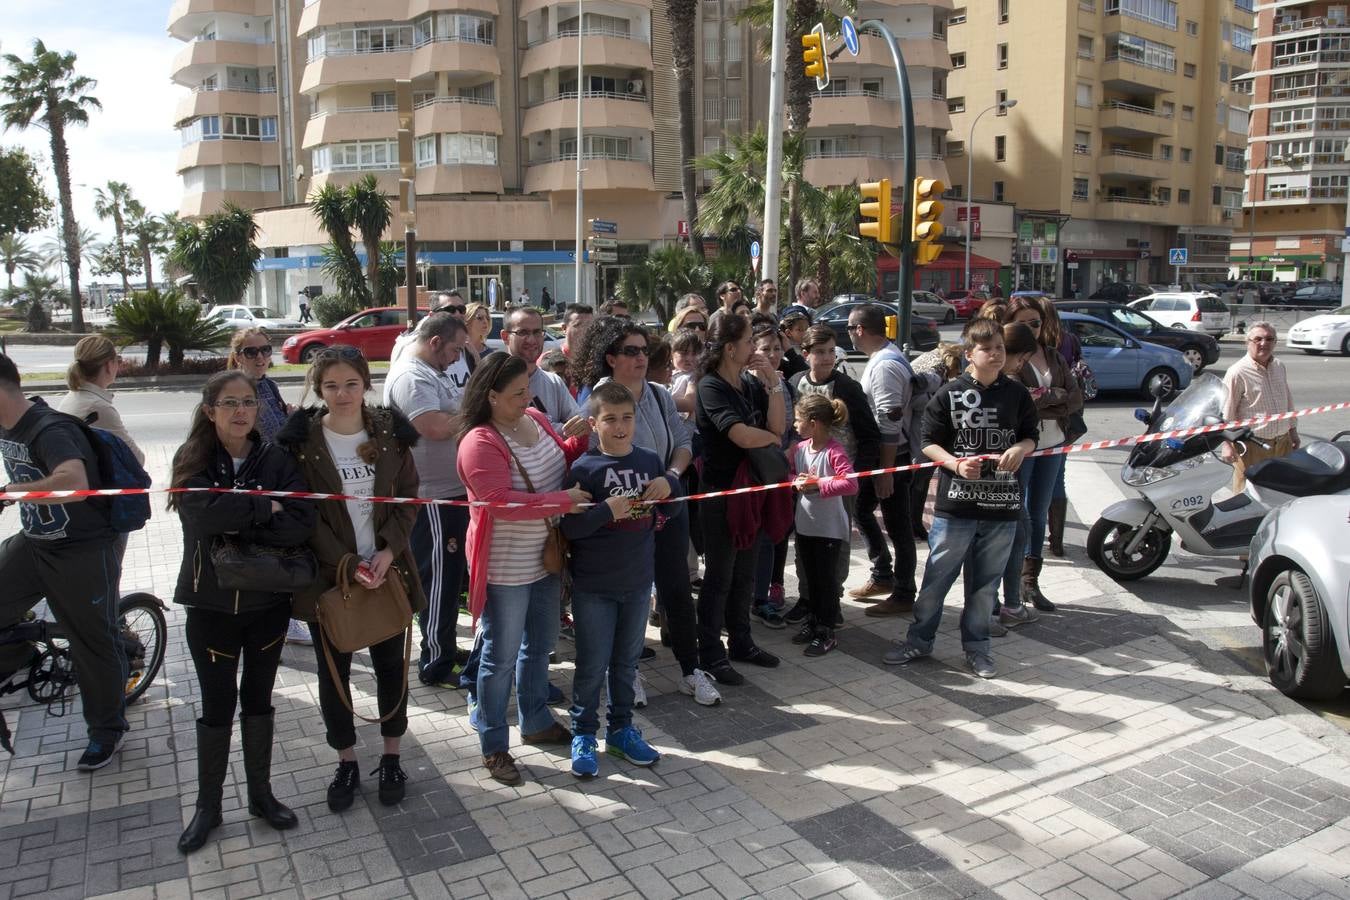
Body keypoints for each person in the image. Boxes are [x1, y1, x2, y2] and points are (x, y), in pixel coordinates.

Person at [169, 371, 315, 853]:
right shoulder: (194, 460)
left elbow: (299, 523)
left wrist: (245, 522)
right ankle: (208, 808)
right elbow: (201, 516)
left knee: (258, 700)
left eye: (248, 402)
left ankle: (261, 796)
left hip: (266, 605)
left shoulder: (275, 458)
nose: (240, 411)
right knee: (216, 708)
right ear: (210, 410)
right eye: (229, 403)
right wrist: (262, 509)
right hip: (210, 607)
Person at [277, 347, 425, 812]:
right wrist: (345, 562)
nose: (342, 394)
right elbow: (306, 511)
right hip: (330, 577)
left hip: (386, 572)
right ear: (317, 389)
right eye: (330, 386)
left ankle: (391, 755)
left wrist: (385, 551)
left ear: (366, 384)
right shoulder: (302, 442)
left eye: (351, 384)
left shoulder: (389, 433)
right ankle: (345, 760)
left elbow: (407, 495)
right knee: (334, 675)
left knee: (390, 668)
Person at [457, 352, 590, 786]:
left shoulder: (534, 417)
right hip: (505, 568)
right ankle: (494, 744)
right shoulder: (480, 441)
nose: (526, 398)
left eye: (527, 389)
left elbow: (557, 466)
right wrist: (563, 502)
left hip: (546, 557)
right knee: (499, 657)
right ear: (490, 396)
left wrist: (580, 440)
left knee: (540, 645)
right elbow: (501, 502)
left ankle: (534, 720)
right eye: (516, 393)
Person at [578, 319, 721, 706]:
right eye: (631, 351)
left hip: (668, 506)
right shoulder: (598, 400)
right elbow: (592, 461)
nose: (641, 357)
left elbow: (684, 441)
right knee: (631, 595)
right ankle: (627, 675)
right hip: (623, 517)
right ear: (611, 358)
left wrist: (671, 475)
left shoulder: (659, 395)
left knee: (675, 588)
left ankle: (691, 671)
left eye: (644, 350)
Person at [885, 319, 1038, 679]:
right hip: (956, 507)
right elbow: (926, 441)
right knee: (936, 580)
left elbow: (1032, 434)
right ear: (970, 354)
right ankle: (919, 641)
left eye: (1000, 347)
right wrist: (953, 463)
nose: (997, 354)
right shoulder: (949, 393)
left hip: (1001, 508)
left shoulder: (1016, 393)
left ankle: (978, 649)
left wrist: (1020, 447)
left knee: (985, 587)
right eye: (988, 348)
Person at [0, 352, 128, 771]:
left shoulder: (48, 428)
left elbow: (73, 482)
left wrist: (11, 492)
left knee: (92, 643)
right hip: (36, 543)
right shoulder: (9, 424)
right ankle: (24, 652)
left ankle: (106, 731)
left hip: (83, 551)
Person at [561, 381, 672, 777]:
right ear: (594, 423)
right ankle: (584, 733)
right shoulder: (583, 469)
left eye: (627, 418)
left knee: (626, 665)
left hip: (638, 583)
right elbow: (571, 531)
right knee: (591, 666)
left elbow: (668, 514)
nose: (620, 426)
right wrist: (607, 510)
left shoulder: (648, 460)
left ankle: (622, 730)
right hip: (593, 587)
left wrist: (669, 486)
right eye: (610, 419)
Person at [695, 314, 786, 685]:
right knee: (719, 577)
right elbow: (744, 437)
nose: (754, 348)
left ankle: (742, 642)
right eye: (749, 341)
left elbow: (777, 428)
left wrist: (774, 384)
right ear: (730, 348)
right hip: (720, 496)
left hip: (749, 494)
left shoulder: (748, 385)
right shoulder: (710, 387)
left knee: (745, 575)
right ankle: (710, 653)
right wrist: (770, 439)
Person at [384, 314, 473, 688]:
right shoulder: (411, 376)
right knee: (438, 579)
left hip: (449, 495)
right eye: (454, 349)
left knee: (451, 579)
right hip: (432, 499)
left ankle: (446, 645)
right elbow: (433, 427)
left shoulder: (429, 371)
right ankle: (436, 660)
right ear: (435, 342)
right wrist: (479, 417)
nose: (457, 358)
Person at [785, 325, 881, 625]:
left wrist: (861, 478)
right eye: (819, 352)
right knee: (805, 543)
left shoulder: (848, 388)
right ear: (806, 354)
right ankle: (806, 597)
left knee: (835, 545)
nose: (826, 358)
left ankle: (831, 599)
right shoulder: (795, 382)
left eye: (831, 352)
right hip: (804, 480)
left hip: (839, 480)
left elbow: (869, 435)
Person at [1000, 297, 1082, 618]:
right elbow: (1021, 403)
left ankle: (1031, 580)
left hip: (1054, 443)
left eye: (1035, 322)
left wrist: (1047, 398)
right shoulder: (1007, 357)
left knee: (1039, 510)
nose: (1031, 329)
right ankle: (1012, 581)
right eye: (1023, 323)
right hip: (1023, 443)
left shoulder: (1052, 355)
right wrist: (1051, 396)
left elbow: (1074, 398)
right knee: (1018, 513)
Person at [225, 328, 308, 644]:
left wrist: (290, 417)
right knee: (264, 551)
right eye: (251, 352)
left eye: (264, 350)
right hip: (255, 480)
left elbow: (279, 429)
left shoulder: (268, 385)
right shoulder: (239, 389)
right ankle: (272, 620)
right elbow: (270, 434)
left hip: (278, 476)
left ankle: (283, 616)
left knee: (280, 549)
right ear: (238, 355)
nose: (260, 357)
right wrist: (291, 423)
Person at [844, 304, 918, 617]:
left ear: (860, 330)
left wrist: (886, 471)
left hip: (891, 457)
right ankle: (884, 575)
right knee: (863, 510)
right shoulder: (884, 357)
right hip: (885, 456)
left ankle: (902, 590)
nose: (848, 333)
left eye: (850, 328)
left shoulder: (886, 366)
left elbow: (890, 422)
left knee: (898, 525)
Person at [789, 393, 858, 656]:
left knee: (826, 581)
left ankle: (826, 630)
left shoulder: (834, 451)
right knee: (810, 577)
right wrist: (795, 480)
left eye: (798, 420)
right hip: (806, 526)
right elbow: (788, 474)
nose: (795, 425)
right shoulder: (799, 449)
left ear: (813, 422)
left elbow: (851, 483)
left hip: (828, 529)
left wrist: (818, 484)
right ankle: (813, 621)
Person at [749, 324, 796, 626]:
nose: (772, 355)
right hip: (750, 473)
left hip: (778, 471)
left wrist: (789, 453)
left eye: (777, 348)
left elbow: (789, 430)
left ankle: (761, 598)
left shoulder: (785, 385)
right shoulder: (744, 385)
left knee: (771, 536)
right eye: (765, 349)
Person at [1223, 321, 1297, 492]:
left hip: (1282, 443)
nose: (1264, 343)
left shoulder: (1279, 366)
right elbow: (1226, 413)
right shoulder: (1237, 372)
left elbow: (1288, 401)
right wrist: (1227, 445)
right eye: (1258, 339)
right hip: (1253, 446)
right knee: (1247, 494)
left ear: (1275, 342)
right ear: (1247, 342)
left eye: (1269, 339)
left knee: (1280, 491)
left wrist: (1293, 432)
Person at [60, 335, 143, 467]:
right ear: (109, 366)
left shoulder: (73, 395)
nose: (118, 365)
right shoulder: (99, 408)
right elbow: (137, 459)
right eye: (118, 360)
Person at [505, 307, 589, 437]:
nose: (531, 340)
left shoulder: (554, 382)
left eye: (537, 332)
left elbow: (579, 428)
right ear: (505, 337)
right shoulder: (492, 383)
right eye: (523, 332)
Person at [391, 293, 466, 367]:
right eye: (449, 310)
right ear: (432, 315)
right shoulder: (410, 347)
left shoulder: (464, 342)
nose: (458, 314)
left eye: (461, 309)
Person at [779, 311, 811, 380]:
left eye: (807, 328)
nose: (805, 332)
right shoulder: (784, 353)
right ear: (788, 333)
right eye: (800, 330)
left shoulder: (804, 346)